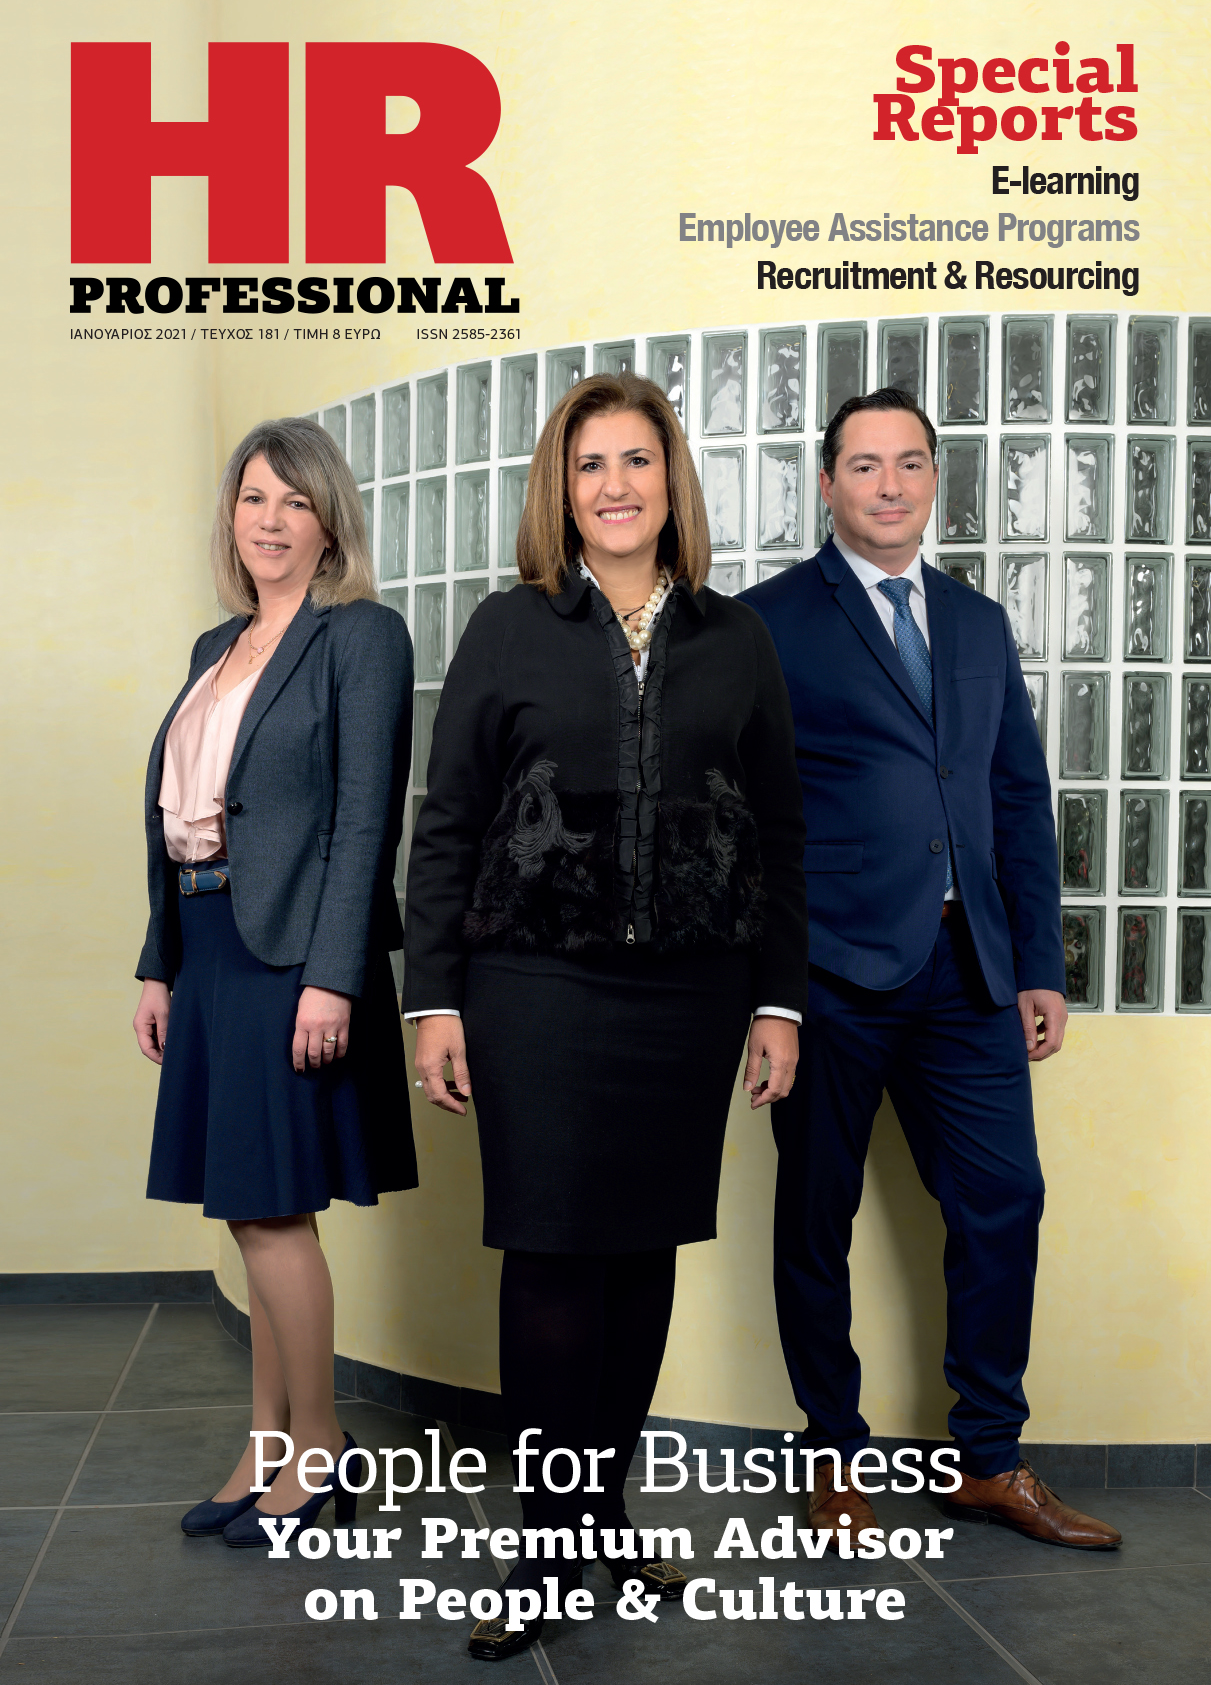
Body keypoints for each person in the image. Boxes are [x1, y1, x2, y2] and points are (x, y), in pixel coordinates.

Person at [403, 372, 808, 1659]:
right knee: (550, 1252)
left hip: (691, 993)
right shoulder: (506, 629)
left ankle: (604, 1521)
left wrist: (778, 1000)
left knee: (641, 1254)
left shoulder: (737, 640)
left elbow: (780, 830)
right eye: (590, 465)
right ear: (561, 489)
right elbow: (448, 823)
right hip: (534, 987)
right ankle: (543, 1546)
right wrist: (431, 998)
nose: (616, 485)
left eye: (637, 460)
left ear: (669, 481)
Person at [738, 387, 1121, 1551]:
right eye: (863, 465)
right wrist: (767, 992)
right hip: (828, 974)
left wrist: (1037, 963)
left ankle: (987, 1459)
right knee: (816, 1218)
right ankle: (830, 1456)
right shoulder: (764, 623)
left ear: (933, 479)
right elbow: (740, 820)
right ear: (824, 484)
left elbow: (1014, 797)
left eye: (908, 463)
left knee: (1004, 1200)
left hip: (968, 972)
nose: (889, 484)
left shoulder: (975, 623)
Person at [131, 416, 416, 1546]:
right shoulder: (217, 646)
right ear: (232, 514)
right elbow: (180, 819)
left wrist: (333, 979)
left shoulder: (362, 637)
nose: (271, 519)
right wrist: (159, 963)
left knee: (271, 1210)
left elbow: (363, 821)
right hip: (207, 947)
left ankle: (321, 1453)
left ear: (329, 521)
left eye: (296, 501)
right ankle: (265, 1446)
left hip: (291, 955)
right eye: (254, 497)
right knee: (248, 1211)